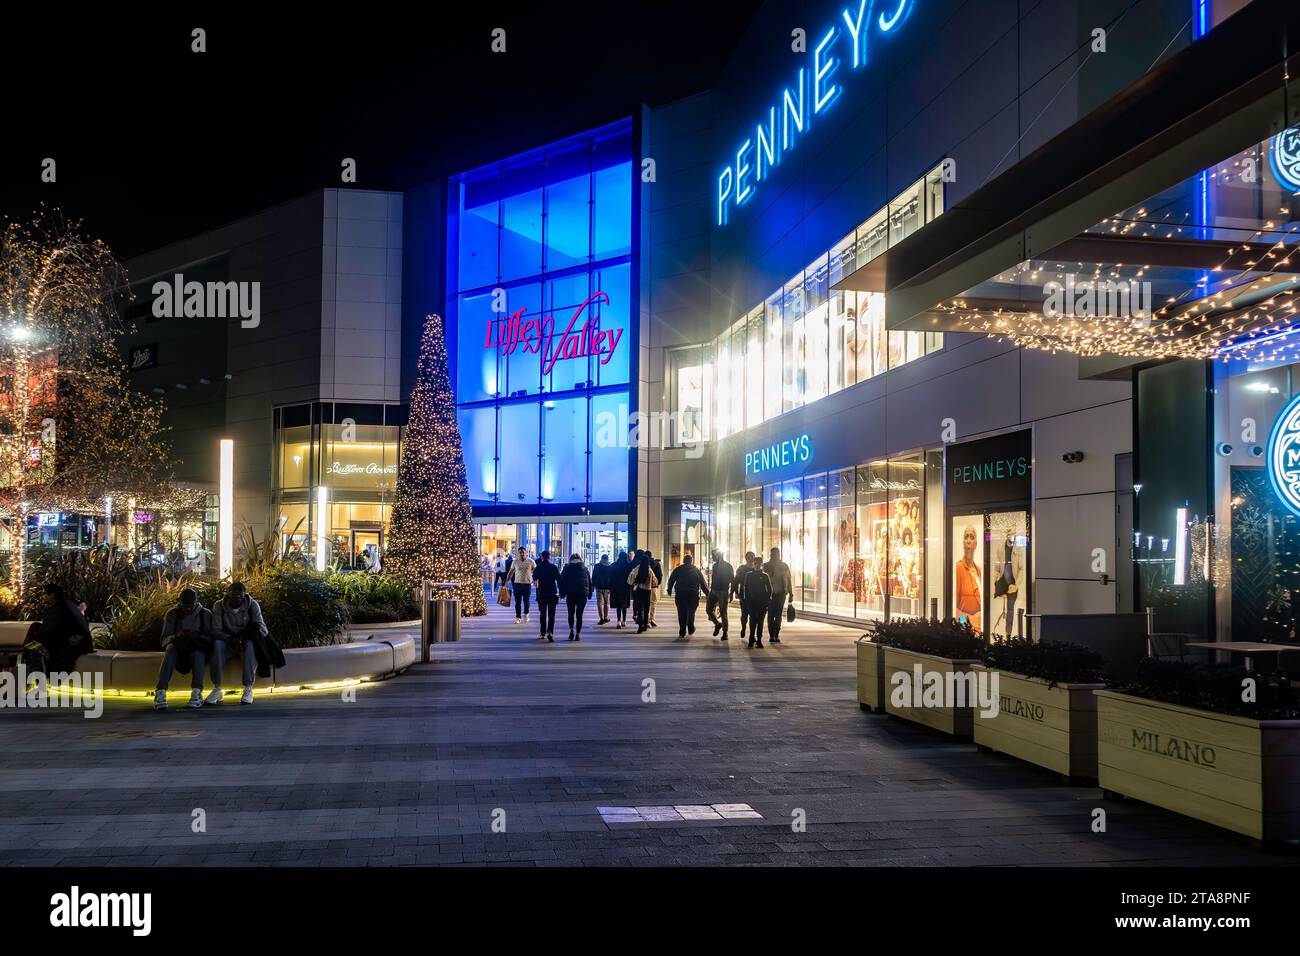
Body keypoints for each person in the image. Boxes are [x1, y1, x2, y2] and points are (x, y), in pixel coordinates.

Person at [209, 581, 282, 705]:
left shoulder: (252, 605)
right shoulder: (219, 606)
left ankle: (248, 688)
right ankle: (217, 688)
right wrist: (231, 638)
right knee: (217, 644)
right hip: (228, 642)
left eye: (240, 596)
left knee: (250, 645)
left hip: (245, 641)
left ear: (244, 595)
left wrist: (244, 636)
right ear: (228, 594)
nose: (237, 599)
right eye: (234, 596)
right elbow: (216, 630)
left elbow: (263, 630)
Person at [154, 587, 215, 710]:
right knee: (170, 649)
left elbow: (211, 638)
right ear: (180, 603)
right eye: (184, 606)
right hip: (179, 647)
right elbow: (164, 640)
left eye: (190, 606)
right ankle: (160, 691)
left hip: (197, 646)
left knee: (198, 652)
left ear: (196, 603)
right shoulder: (172, 614)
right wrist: (177, 635)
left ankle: (197, 691)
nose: (187, 609)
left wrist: (197, 636)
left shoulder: (205, 614)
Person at [25, 583, 92, 676]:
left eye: (45, 594)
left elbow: (55, 630)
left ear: (52, 595)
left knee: (35, 636)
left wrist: (38, 632)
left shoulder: (60, 608)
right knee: (35, 630)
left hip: (72, 642)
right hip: (69, 640)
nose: (43, 597)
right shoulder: (63, 605)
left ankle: (34, 672)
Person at [666, 552, 708, 638]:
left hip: (681, 594)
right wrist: (708, 594)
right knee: (691, 612)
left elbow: (671, 580)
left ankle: (682, 631)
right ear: (691, 561)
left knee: (681, 612)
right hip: (693, 594)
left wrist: (669, 589)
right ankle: (691, 627)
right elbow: (703, 583)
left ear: (683, 561)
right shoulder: (696, 570)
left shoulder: (678, 569)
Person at [559, 553, 593, 641]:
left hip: (571, 594)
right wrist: (589, 594)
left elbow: (562, 581)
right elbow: (589, 582)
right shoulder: (585, 569)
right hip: (582, 594)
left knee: (571, 613)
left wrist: (562, 593)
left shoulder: (567, 568)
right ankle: (578, 633)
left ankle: (571, 630)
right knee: (579, 614)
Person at [763, 547, 793, 645]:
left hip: (781, 593)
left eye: (776, 554)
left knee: (778, 614)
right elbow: (763, 581)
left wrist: (791, 593)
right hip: (770, 594)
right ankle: (772, 634)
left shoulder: (784, 566)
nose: (774, 556)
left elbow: (789, 580)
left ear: (779, 555)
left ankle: (776, 633)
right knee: (771, 614)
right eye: (772, 554)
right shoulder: (766, 566)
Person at [742, 556, 772, 648]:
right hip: (751, 602)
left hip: (762, 602)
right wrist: (747, 601)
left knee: (760, 621)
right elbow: (746, 588)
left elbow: (770, 589)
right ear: (753, 564)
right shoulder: (749, 575)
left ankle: (759, 639)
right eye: (755, 564)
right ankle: (751, 638)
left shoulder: (765, 576)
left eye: (759, 564)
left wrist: (767, 600)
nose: (757, 566)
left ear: (761, 565)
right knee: (753, 620)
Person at [706, 549, 735, 640]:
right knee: (708, 609)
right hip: (714, 590)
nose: (712, 557)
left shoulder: (728, 566)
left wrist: (731, 593)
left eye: (713, 555)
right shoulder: (714, 566)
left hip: (723, 591)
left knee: (723, 612)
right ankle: (718, 624)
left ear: (719, 555)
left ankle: (725, 633)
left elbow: (732, 580)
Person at [533, 550, 561, 642]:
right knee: (551, 614)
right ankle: (550, 632)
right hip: (552, 592)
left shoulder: (539, 567)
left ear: (542, 557)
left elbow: (534, 577)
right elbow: (559, 579)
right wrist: (561, 592)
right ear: (549, 557)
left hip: (542, 592)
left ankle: (542, 633)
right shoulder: (554, 567)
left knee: (543, 613)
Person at [628, 551, 658, 634]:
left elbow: (630, 578)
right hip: (648, 591)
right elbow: (655, 581)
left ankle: (640, 626)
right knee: (646, 608)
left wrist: (634, 583)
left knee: (640, 608)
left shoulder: (637, 568)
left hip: (639, 591)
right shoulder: (649, 570)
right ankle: (645, 625)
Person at [732, 551, 756, 640]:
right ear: (746, 558)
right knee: (744, 615)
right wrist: (736, 592)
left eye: (752, 557)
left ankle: (752, 635)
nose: (750, 559)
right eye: (749, 557)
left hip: (755, 597)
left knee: (753, 616)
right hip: (744, 596)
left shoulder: (757, 569)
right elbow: (736, 581)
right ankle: (743, 628)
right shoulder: (741, 569)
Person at [511, 546, 535, 624]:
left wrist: (536, 580)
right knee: (517, 602)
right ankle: (518, 617)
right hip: (517, 584)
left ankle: (526, 613)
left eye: (523, 552)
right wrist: (507, 581)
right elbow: (511, 571)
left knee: (526, 601)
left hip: (527, 584)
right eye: (520, 552)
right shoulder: (515, 562)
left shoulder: (531, 561)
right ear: (518, 553)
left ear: (526, 553)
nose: (522, 554)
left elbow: (536, 572)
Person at [609, 550, 632, 628]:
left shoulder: (614, 565)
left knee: (618, 605)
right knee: (624, 605)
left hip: (616, 587)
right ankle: (624, 621)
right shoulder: (628, 566)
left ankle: (618, 621)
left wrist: (611, 586)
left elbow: (611, 577)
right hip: (625, 587)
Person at [592, 554, 612, 624]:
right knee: (607, 603)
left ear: (601, 558)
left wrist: (593, 586)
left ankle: (601, 618)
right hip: (608, 588)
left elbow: (593, 576)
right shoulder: (610, 566)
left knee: (600, 603)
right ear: (607, 559)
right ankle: (606, 617)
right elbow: (612, 577)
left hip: (599, 587)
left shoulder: (597, 566)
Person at [647, 551, 663, 627]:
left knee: (645, 603)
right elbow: (660, 575)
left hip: (644, 587)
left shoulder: (643, 564)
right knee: (653, 603)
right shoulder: (657, 564)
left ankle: (646, 620)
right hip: (653, 587)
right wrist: (657, 584)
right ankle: (652, 619)